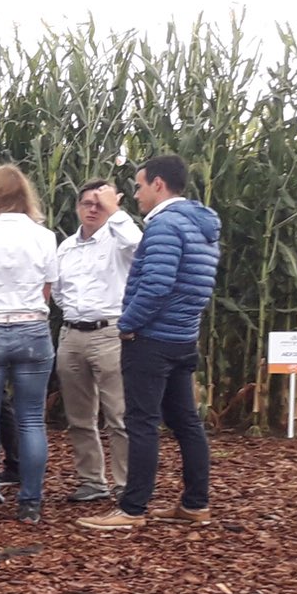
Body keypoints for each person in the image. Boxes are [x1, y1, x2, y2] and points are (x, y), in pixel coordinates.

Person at [80, 153, 221, 530]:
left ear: (158, 184)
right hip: (183, 337)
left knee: (141, 422)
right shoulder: (202, 226)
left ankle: (132, 509)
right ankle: (195, 503)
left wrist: (128, 324)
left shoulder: (165, 226)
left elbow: (157, 285)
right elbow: (197, 285)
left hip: (153, 339)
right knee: (185, 421)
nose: (137, 194)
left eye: (139, 186)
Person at [0, 165, 58, 523]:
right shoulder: (44, 236)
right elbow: (47, 290)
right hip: (32, 329)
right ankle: (30, 503)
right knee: (31, 419)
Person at [51, 178, 141, 503]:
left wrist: (115, 211)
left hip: (110, 333)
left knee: (118, 414)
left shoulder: (119, 240)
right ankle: (92, 480)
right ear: (77, 207)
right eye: (87, 203)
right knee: (79, 416)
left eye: (99, 204)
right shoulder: (66, 247)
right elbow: (58, 289)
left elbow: (140, 247)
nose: (93, 209)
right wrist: (73, 313)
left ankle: (126, 483)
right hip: (72, 333)